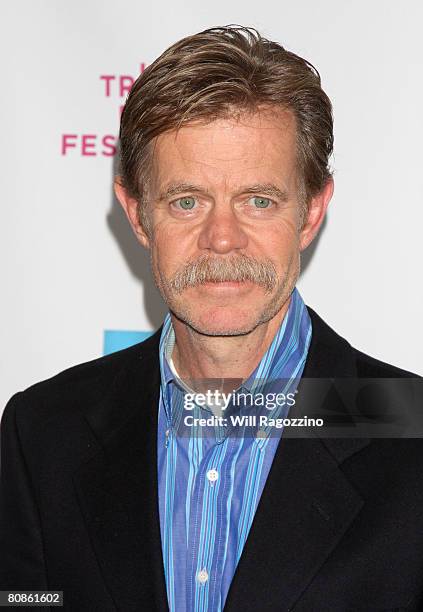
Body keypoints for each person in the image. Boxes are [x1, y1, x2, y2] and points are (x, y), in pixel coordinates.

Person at [1, 25, 422, 612]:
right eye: (187, 201)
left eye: (258, 200)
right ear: (137, 214)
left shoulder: (412, 434)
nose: (222, 238)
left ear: (312, 211)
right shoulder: (43, 433)